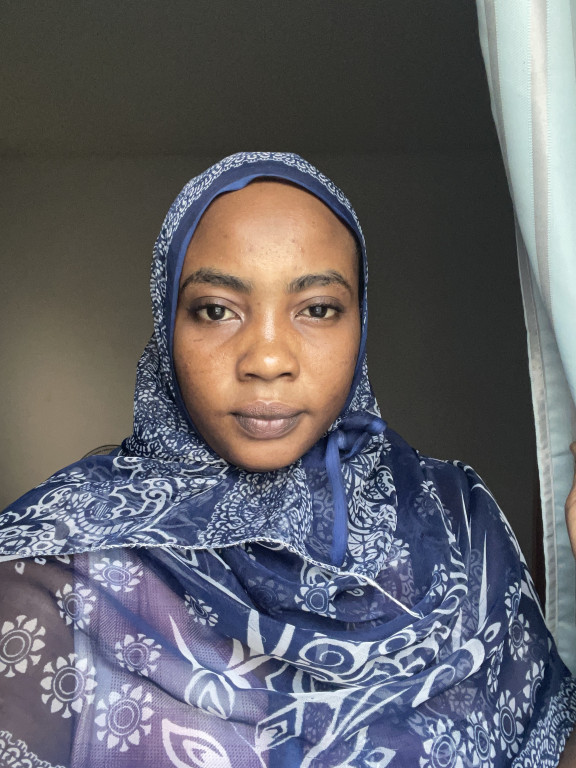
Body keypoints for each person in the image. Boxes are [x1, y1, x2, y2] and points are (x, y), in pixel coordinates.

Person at [0, 152, 575, 767]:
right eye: (217, 309)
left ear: (360, 324)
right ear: (168, 324)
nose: (268, 359)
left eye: (317, 309)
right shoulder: (58, 568)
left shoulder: (454, 524)